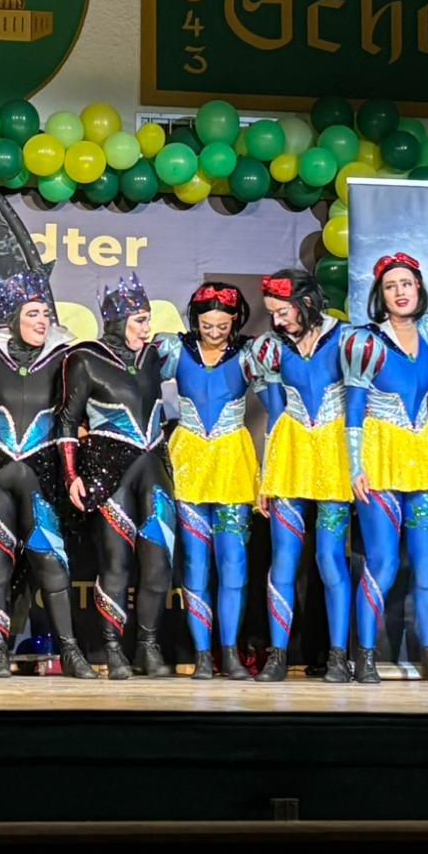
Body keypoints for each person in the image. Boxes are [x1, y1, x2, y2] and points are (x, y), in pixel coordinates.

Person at [0, 269, 93, 679]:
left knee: (52, 564)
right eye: (32, 313)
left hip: (42, 476)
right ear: (14, 318)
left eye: (45, 313)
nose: (42, 321)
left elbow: (83, 409)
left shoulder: (64, 356)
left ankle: (70, 650)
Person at [59, 274, 176, 680]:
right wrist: (71, 475)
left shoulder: (154, 357)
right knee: (115, 563)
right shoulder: (85, 358)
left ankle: (148, 645)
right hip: (109, 472)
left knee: (159, 562)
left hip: (154, 467)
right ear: (117, 321)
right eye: (140, 320)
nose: (147, 328)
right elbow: (67, 421)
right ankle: (113, 649)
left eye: (148, 319)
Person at [341, 255, 428, 685]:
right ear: (380, 295)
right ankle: (364, 656)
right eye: (390, 286)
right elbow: (353, 408)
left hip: (420, 458)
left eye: (406, 283)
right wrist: (355, 467)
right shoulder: (365, 342)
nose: (400, 292)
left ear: (419, 288)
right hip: (379, 459)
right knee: (383, 562)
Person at [247, 268, 354, 684]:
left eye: (282, 312)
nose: (277, 321)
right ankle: (277, 655)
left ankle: (338, 655)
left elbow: (361, 405)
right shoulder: (271, 349)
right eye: (272, 313)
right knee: (283, 560)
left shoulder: (345, 340)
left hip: (334, 456)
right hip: (290, 455)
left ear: (306, 303)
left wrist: (359, 464)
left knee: (329, 558)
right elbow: (275, 418)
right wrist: (266, 476)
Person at [168, 282, 257, 681]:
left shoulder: (250, 353)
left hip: (232, 463)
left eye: (223, 325)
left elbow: (281, 399)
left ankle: (230, 653)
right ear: (195, 320)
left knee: (234, 564)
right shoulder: (174, 350)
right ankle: (203, 655)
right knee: (194, 563)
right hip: (188, 463)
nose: (216, 332)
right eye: (207, 325)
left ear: (235, 321)